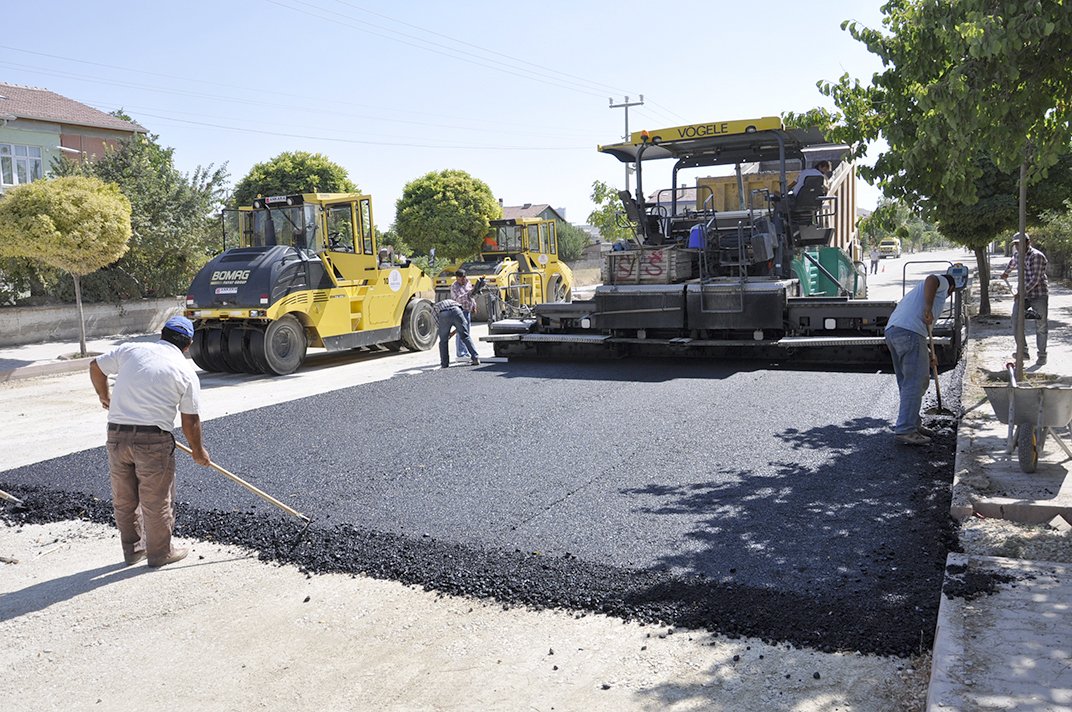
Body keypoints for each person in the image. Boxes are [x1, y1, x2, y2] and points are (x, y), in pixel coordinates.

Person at [89, 316, 211, 567]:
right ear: (188, 344)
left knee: (124, 499)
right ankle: (159, 554)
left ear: (162, 334)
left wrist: (105, 396)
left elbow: (95, 366)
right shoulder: (186, 371)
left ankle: (132, 551)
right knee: (155, 500)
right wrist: (199, 452)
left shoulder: (132, 349)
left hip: (116, 436)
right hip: (153, 442)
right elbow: (190, 422)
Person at [884, 274, 957, 446]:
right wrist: (928, 307)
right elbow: (932, 278)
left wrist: (928, 352)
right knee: (915, 382)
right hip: (909, 333)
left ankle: (913, 423)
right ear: (951, 289)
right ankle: (906, 429)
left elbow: (919, 333)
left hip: (894, 331)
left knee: (907, 382)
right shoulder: (944, 283)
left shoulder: (916, 295)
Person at [1000, 233, 1048, 365]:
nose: (1017, 246)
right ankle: (1023, 351)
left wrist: (1021, 292)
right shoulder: (1017, 255)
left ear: (1028, 242)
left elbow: (1035, 279)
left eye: (1019, 243)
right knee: (1015, 321)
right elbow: (1012, 263)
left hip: (1038, 295)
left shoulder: (1037, 256)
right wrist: (1006, 273)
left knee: (1041, 325)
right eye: (1015, 244)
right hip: (1023, 295)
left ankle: (1042, 355)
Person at [434, 299, 479, 369]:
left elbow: (436, 322)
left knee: (443, 341)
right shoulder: (454, 303)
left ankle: (444, 364)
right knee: (465, 336)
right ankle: (475, 357)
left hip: (444, 313)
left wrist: (443, 332)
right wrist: (452, 333)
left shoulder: (434, 308)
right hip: (457, 310)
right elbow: (462, 324)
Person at [450, 269, 478, 360]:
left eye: (464, 278)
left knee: (466, 333)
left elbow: (471, 297)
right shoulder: (454, 286)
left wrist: (474, 305)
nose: (463, 280)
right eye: (461, 279)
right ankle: (461, 353)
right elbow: (458, 299)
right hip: (459, 311)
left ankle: (465, 352)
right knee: (461, 333)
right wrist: (469, 293)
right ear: (457, 278)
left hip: (467, 310)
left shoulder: (467, 283)